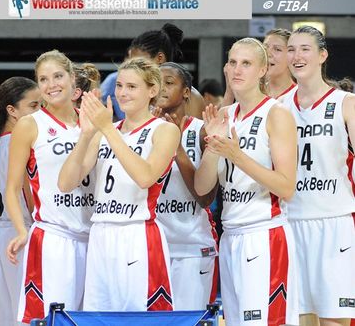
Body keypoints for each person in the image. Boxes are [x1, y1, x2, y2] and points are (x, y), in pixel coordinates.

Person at [59, 57, 180, 311]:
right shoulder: (104, 131)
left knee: (139, 318)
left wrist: (107, 129)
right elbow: (66, 182)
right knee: (98, 316)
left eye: (132, 87)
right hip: (101, 232)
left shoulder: (164, 130)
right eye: (120, 86)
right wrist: (86, 135)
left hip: (137, 233)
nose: (123, 93)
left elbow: (145, 177)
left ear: (152, 91)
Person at [194, 38, 299, 326]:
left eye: (247, 63)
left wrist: (236, 155)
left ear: (263, 70)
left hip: (264, 235)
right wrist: (213, 151)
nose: (237, 69)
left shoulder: (277, 114)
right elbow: (202, 189)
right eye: (232, 62)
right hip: (231, 236)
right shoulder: (224, 116)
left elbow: (286, 186)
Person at [5, 50, 92, 324]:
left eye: (57, 76)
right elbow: (12, 187)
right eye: (43, 79)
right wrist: (22, 229)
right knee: (49, 320)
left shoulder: (93, 121)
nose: (51, 84)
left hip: (96, 239)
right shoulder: (30, 125)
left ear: (72, 78)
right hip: (54, 238)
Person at [281, 25, 355, 326]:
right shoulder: (278, 108)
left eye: (305, 49)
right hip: (289, 222)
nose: (296, 56)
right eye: (291, 49)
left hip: (334, 222)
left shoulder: (345, 103)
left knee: (333, 321)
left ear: (322, 55)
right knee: (298, 320)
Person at [154, 62, 219, 310]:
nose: (162, 88)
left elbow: (205, 198)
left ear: (186, 92)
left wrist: (178, 150)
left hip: (192, 246)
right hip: (151, 247)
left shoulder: (201, 131)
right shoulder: (139, 130)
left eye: (169, 83)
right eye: (157, 83)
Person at [0, 77, 40, 326]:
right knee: (25, 316)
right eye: (34, 105)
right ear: (12, 111)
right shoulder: (21, 144)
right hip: (22, 234)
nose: (41, 111)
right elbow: (29, 197)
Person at [101, 23, 205, 120]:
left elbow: (197, 138)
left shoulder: (190, 96)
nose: (135, 69)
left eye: (140, 63)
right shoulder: (142, 94)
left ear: (160, 58)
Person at [263, 28, 296, 99]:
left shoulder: (301, 96)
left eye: (277, 49)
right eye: (265, 48)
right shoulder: (251, 93)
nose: (268, 53)